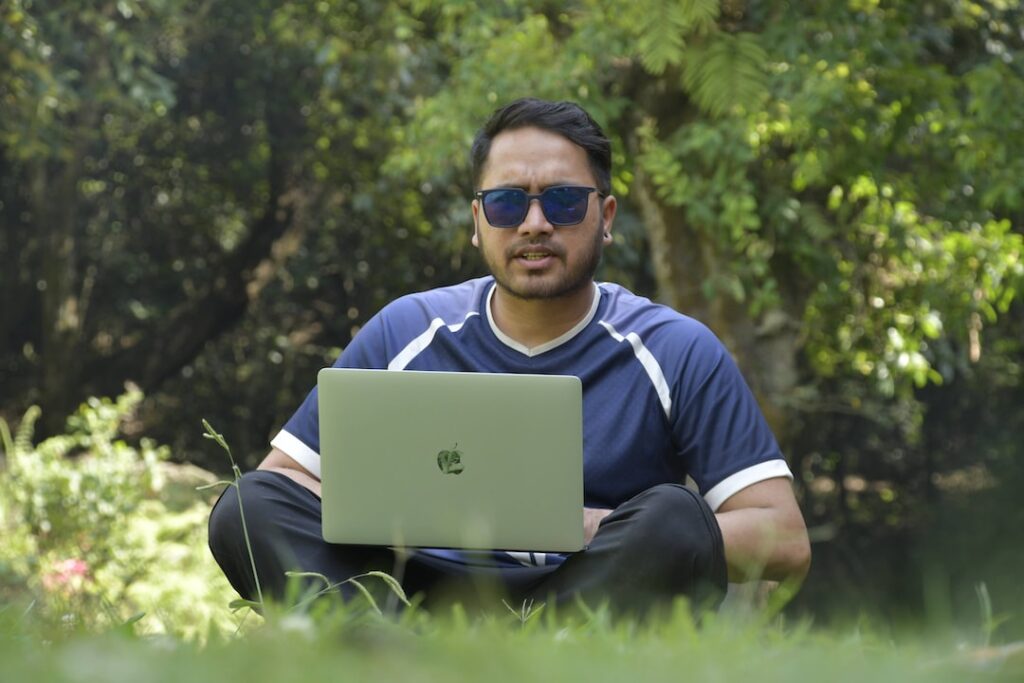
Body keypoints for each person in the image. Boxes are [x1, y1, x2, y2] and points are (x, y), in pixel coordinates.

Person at [208, 97, 811, 617]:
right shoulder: (408, 329)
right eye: (506, 204)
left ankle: (538, 650)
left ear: (605, 218)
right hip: (408, 595)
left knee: (675, 517)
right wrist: (403, 513)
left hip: (584, 596)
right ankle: (381, 650)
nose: (535, 223)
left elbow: (783, 537)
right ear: (478, 221)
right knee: (247, 504)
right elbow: (281, 482)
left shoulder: (677, 349)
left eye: (565, 203)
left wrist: (588, 525)